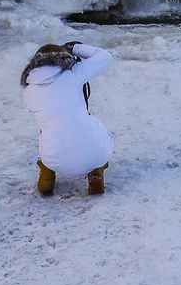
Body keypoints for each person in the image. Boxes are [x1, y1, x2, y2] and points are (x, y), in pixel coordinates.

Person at [21, 42, 115, 196]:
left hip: (54, 159)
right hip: (95, 154)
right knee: (90, 125)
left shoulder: (29, 91)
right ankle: (95, 171)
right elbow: (105, 57)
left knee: (47, 129)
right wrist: (76, 47)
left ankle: (47, 176)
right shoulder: (74, 74)